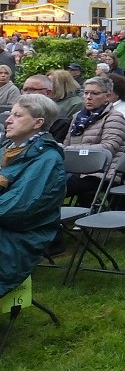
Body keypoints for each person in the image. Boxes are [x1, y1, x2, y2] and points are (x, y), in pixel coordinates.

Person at [0, 94, 65, 297]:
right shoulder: (6, 149)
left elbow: (18, 207)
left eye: (18, 115)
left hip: (19, 233)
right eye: (10, 114)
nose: (8, 120)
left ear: (38, 123)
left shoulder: (48, 159)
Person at [62, 76, 125, 205]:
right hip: (75, 169)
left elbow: (107, 147)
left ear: (107, 97)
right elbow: (66, 144)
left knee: (52, 188)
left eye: (94, 93)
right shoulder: (78, 117)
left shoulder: (114, 117)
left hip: (99, 173)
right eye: (86, 92)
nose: (88, 97)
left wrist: (70, 150)